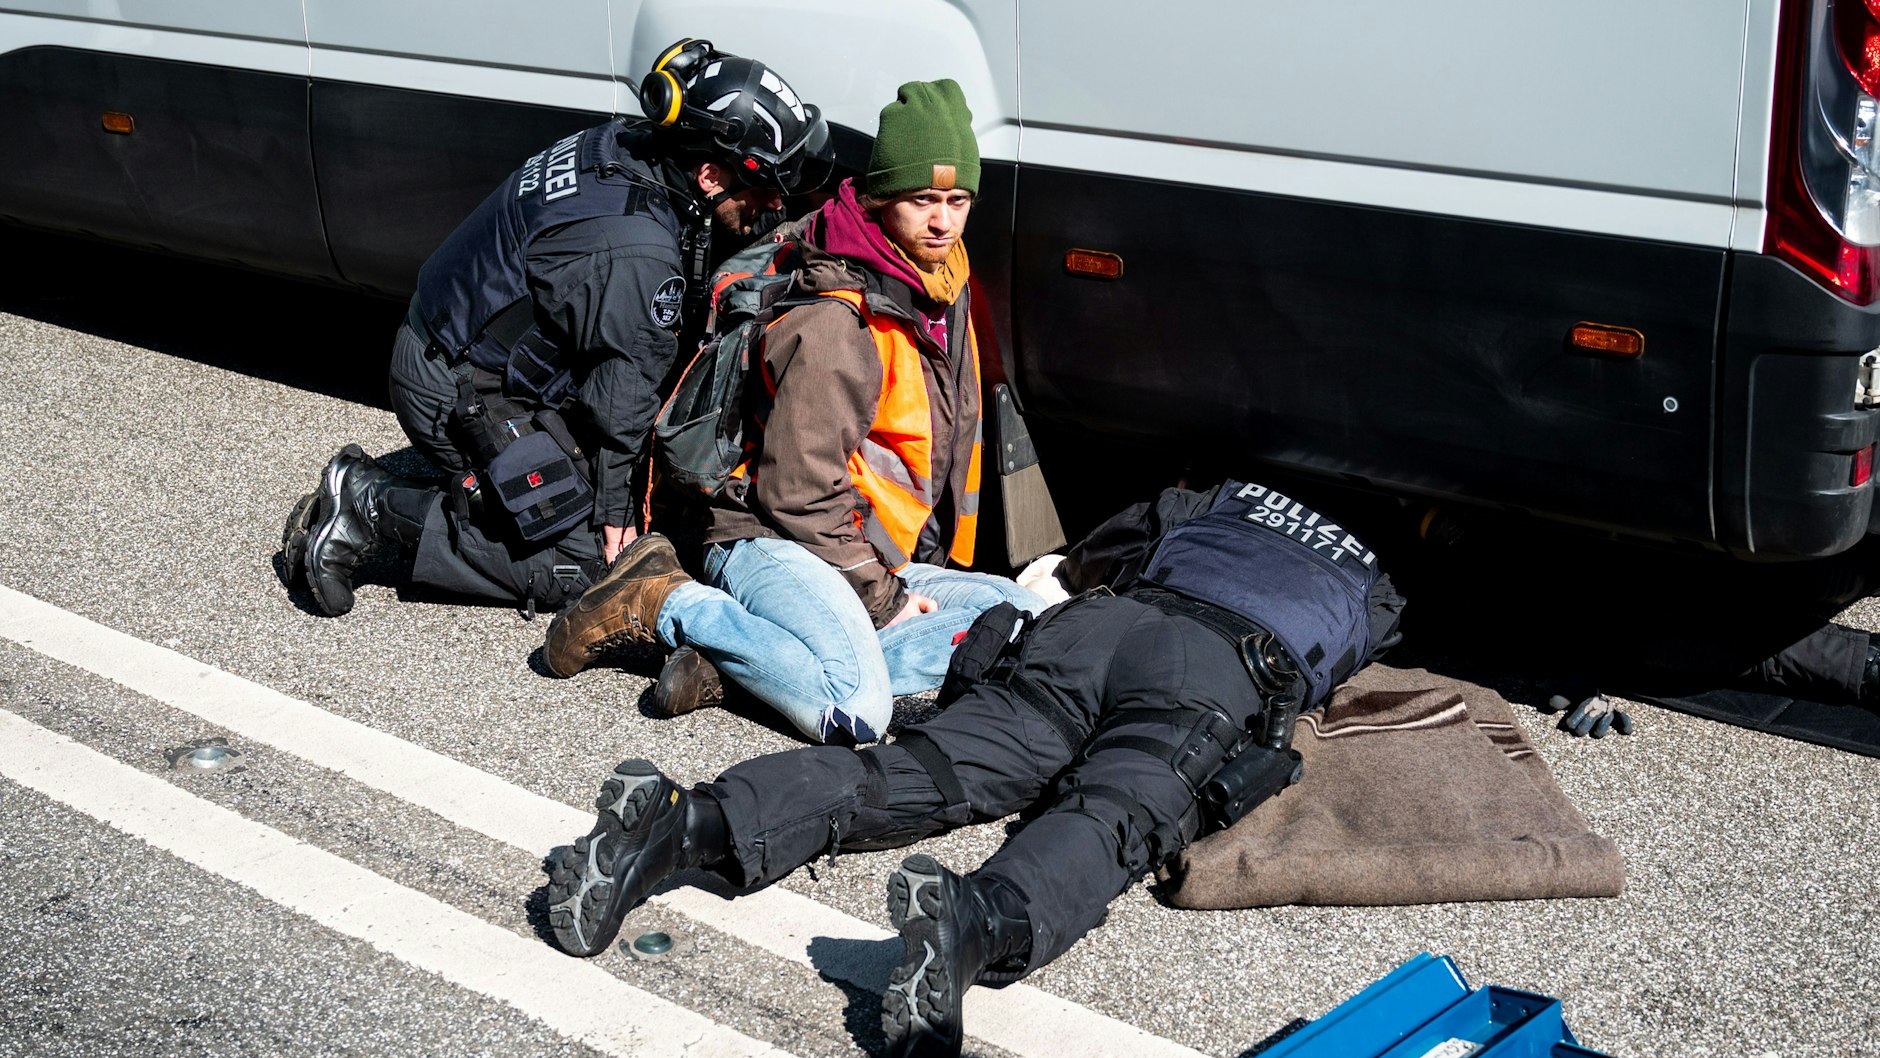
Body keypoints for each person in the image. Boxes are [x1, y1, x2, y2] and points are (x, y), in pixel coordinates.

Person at [543, 478, 1405, 1057]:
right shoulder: (1374, 578)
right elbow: (1334, 667)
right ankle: (975, 919)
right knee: (1112, 815)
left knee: (921, 769)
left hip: (1095, 632)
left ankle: (684, 820)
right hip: (1214, 670)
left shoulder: (1222, 496)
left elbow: (1108, 549)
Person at [540, 79, 1041, 743]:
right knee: (856, 709)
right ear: (884, 199)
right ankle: (664, 600)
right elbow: (796, 494)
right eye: (923, 200)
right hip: (767, 538)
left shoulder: (934, 279)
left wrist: (897, 576)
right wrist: (886, 604)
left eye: (957, 200)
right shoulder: (836, 319)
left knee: (1027, 617)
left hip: (857, 542)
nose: (943, 221)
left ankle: (748, 666)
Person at [278, 40, 834, 619]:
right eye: (768, 186)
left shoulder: (628, 146)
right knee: (586, 565)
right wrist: (616, 512)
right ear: (711, 175)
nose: (776, 202)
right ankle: (369, 506)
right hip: (459, 390)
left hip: (466, 344)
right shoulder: (636, 253)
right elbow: (623, 403)